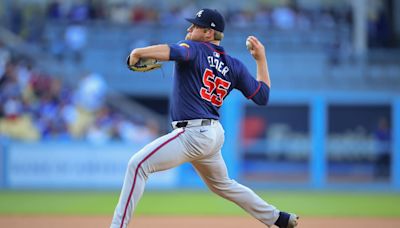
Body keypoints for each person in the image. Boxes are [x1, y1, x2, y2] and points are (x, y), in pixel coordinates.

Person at [110, 8, 298, 228]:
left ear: (209, 33)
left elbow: (174, 52)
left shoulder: (194, 48)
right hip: (213, 133)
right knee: (223, 185)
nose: (189, 29)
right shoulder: (234, 65)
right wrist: (261, 60)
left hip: (193, 133)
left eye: (195, 26)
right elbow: (262, 96)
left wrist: (139, 51)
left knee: (138, 165)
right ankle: (278, 218)